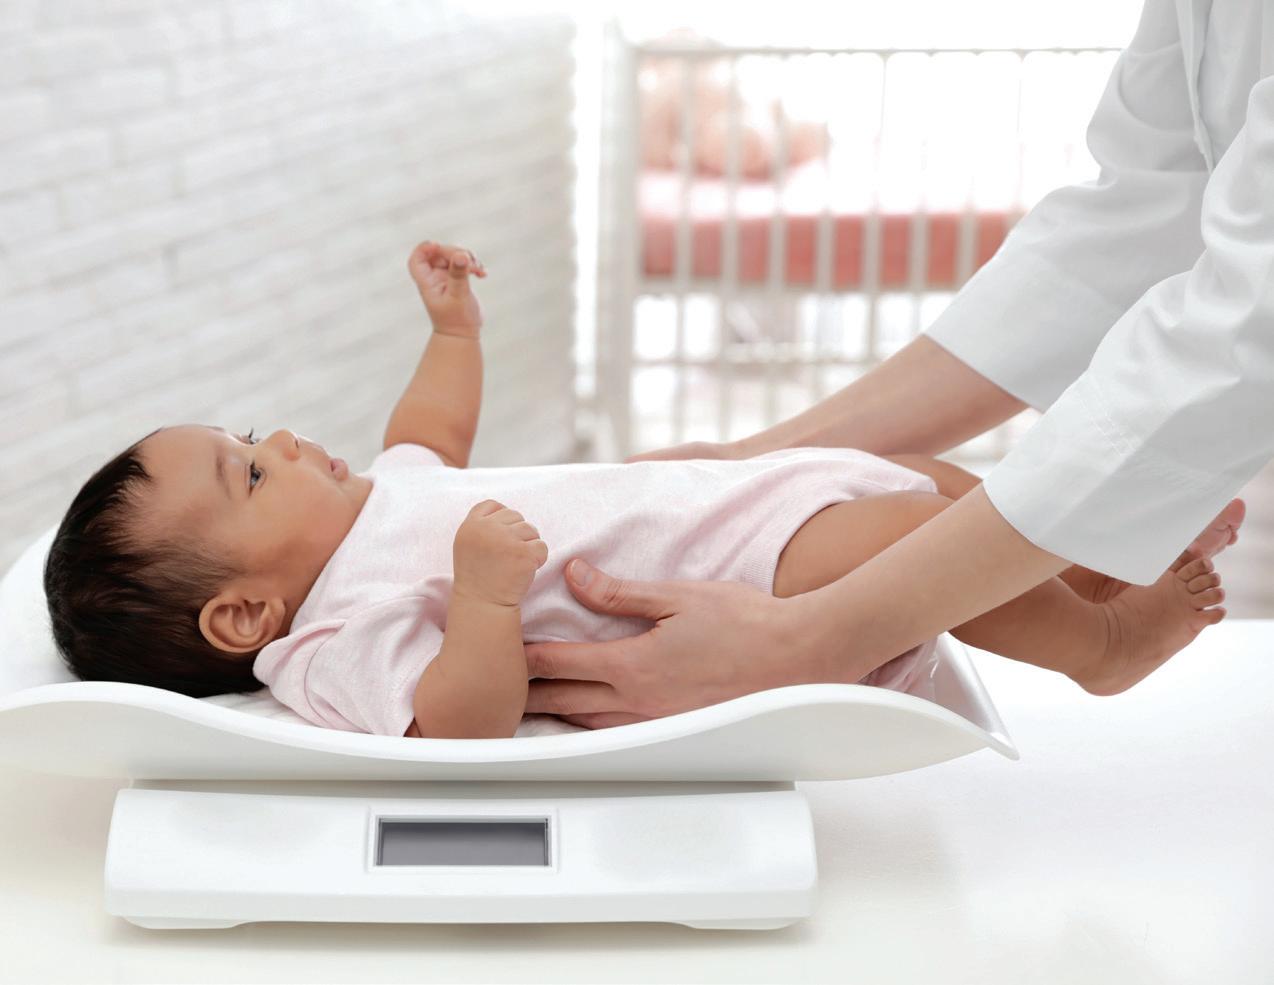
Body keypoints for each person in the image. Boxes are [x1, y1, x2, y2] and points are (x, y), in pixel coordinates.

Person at [41, 243, 1231, 740]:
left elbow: (428, 431)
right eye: (252, 470)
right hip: (735, 574)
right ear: (244, 613)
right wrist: (485, 602)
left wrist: (451, 332)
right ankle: (1098, 643)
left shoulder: (376, 501)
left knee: (931, 485)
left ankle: (1085, 564)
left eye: (254, 435)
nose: (290, 441)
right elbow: (456, 724)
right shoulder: (330, 638)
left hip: (743, 501)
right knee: (918, 537)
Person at [521, 0, 1271, 728]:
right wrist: (750, 460)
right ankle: (1089, 601)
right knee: (910, 492)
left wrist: (810, 638)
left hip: (640, 535)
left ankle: (1093, 615)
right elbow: (1143, 214)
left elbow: (1248, 317)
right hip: (651, 534)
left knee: (906, 503)